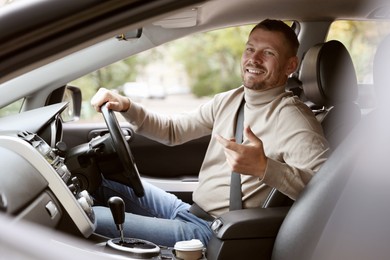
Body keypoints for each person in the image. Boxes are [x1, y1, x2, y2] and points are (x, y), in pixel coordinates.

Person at [90, 19, 329, 247]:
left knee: (90, 218)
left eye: (268, 53)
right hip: (189, 211)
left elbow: (327, 192)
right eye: (250, 49)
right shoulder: (230, 99)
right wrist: (126, 106)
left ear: (291, 65)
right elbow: (173, 131)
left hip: (214, 233)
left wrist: (264, 168)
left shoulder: (294, 119)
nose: (254, 59)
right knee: (98, 182)